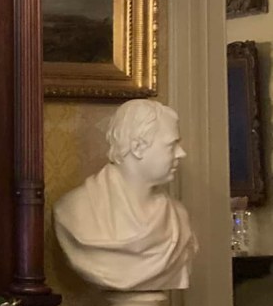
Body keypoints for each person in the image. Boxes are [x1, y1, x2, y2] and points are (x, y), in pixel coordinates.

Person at [53, 99, 197, 292]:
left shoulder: (178, 218)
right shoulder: (74, 211)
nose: (181, 153)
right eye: (172, 145)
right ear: (137, 147)